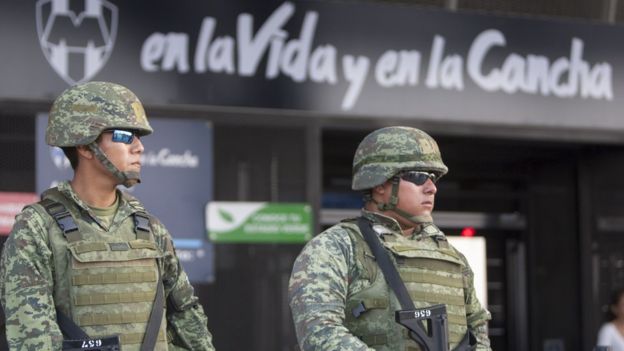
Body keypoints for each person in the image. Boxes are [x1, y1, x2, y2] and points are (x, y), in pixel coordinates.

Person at [0, 81, 215, 350]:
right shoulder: (37, 229)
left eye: (139, 137)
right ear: (86, 146)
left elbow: (186, 316)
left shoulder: (149, 229)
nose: (139, 147)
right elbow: (31, 338)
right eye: (125, 136)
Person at [288, 126, 491, 350]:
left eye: (434, 178)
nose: (431, 188)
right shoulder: (335, 247)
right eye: (418, 176)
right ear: (379, 185)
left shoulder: (451, 255)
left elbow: (477, 331)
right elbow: (319, 334)